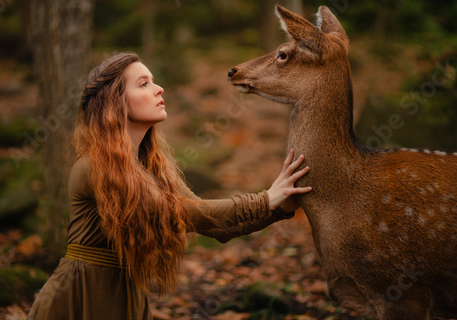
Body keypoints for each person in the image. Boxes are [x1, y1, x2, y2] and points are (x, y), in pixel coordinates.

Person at [27, 52, 312, 320]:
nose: (159, 89)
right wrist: (266, 200)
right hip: (76, 299)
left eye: (153, 81)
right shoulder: (91, 167)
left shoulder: (151, 168)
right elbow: (188, 214)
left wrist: (279, 207)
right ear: (115, 102)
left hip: (125, 298)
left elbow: (213, 225)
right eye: (144, 84)